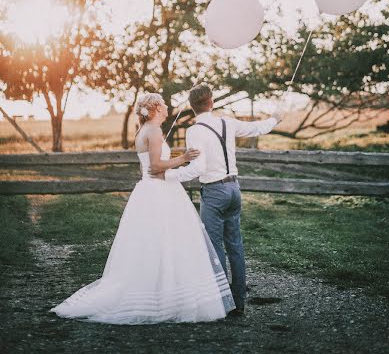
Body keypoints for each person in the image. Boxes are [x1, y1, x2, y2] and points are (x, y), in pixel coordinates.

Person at [50, 93, 235, 324]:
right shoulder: (154, 131)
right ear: (156, 108)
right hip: (160, 192)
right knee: (167, 241)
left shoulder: (143, 131)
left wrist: (176, 161)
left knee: (155, 244)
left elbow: (152, 165)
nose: (168, 107)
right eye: (164, 104)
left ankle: (161, 291)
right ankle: (165, 297)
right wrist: (184, 158)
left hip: (149, 191)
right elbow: (156, 167)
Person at [157, 84, 283, 317]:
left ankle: (222, 304)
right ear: (211, 102)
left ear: (192, 107)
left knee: (214, 249)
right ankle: (239, 302)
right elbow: (258, 128)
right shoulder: (227, 122)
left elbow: (198, 167)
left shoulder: (195, 130)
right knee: (235, 245)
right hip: (234, 189)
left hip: (214, 192)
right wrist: (275, 118)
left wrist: (168, 176)